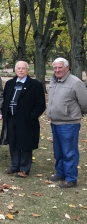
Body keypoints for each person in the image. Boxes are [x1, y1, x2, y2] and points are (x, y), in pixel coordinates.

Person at [0, 61, 45, 177]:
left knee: (25, 144)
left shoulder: (35, 85)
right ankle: (15, 166)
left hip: (26, 121)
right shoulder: (10, 83)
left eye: (23, 68)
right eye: (18, 68)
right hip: (11, 119)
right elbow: (5, 100)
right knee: (13, 142)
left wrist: (32, 117)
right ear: (15, 70)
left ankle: (24, 169)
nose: (21, 70)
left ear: (27, 70)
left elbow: (41, 105)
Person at [46, 57, 87, 188]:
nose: (57, 70)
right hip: (55, 122)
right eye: (55, 67)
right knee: (58, 151)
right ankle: (61, 173)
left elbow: (84, 103)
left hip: (69, 123)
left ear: (67, 68)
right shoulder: (53, 80)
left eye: (60, 67)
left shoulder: (75, 82)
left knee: (69, 151)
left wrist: (71, 113)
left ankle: (71, 178)